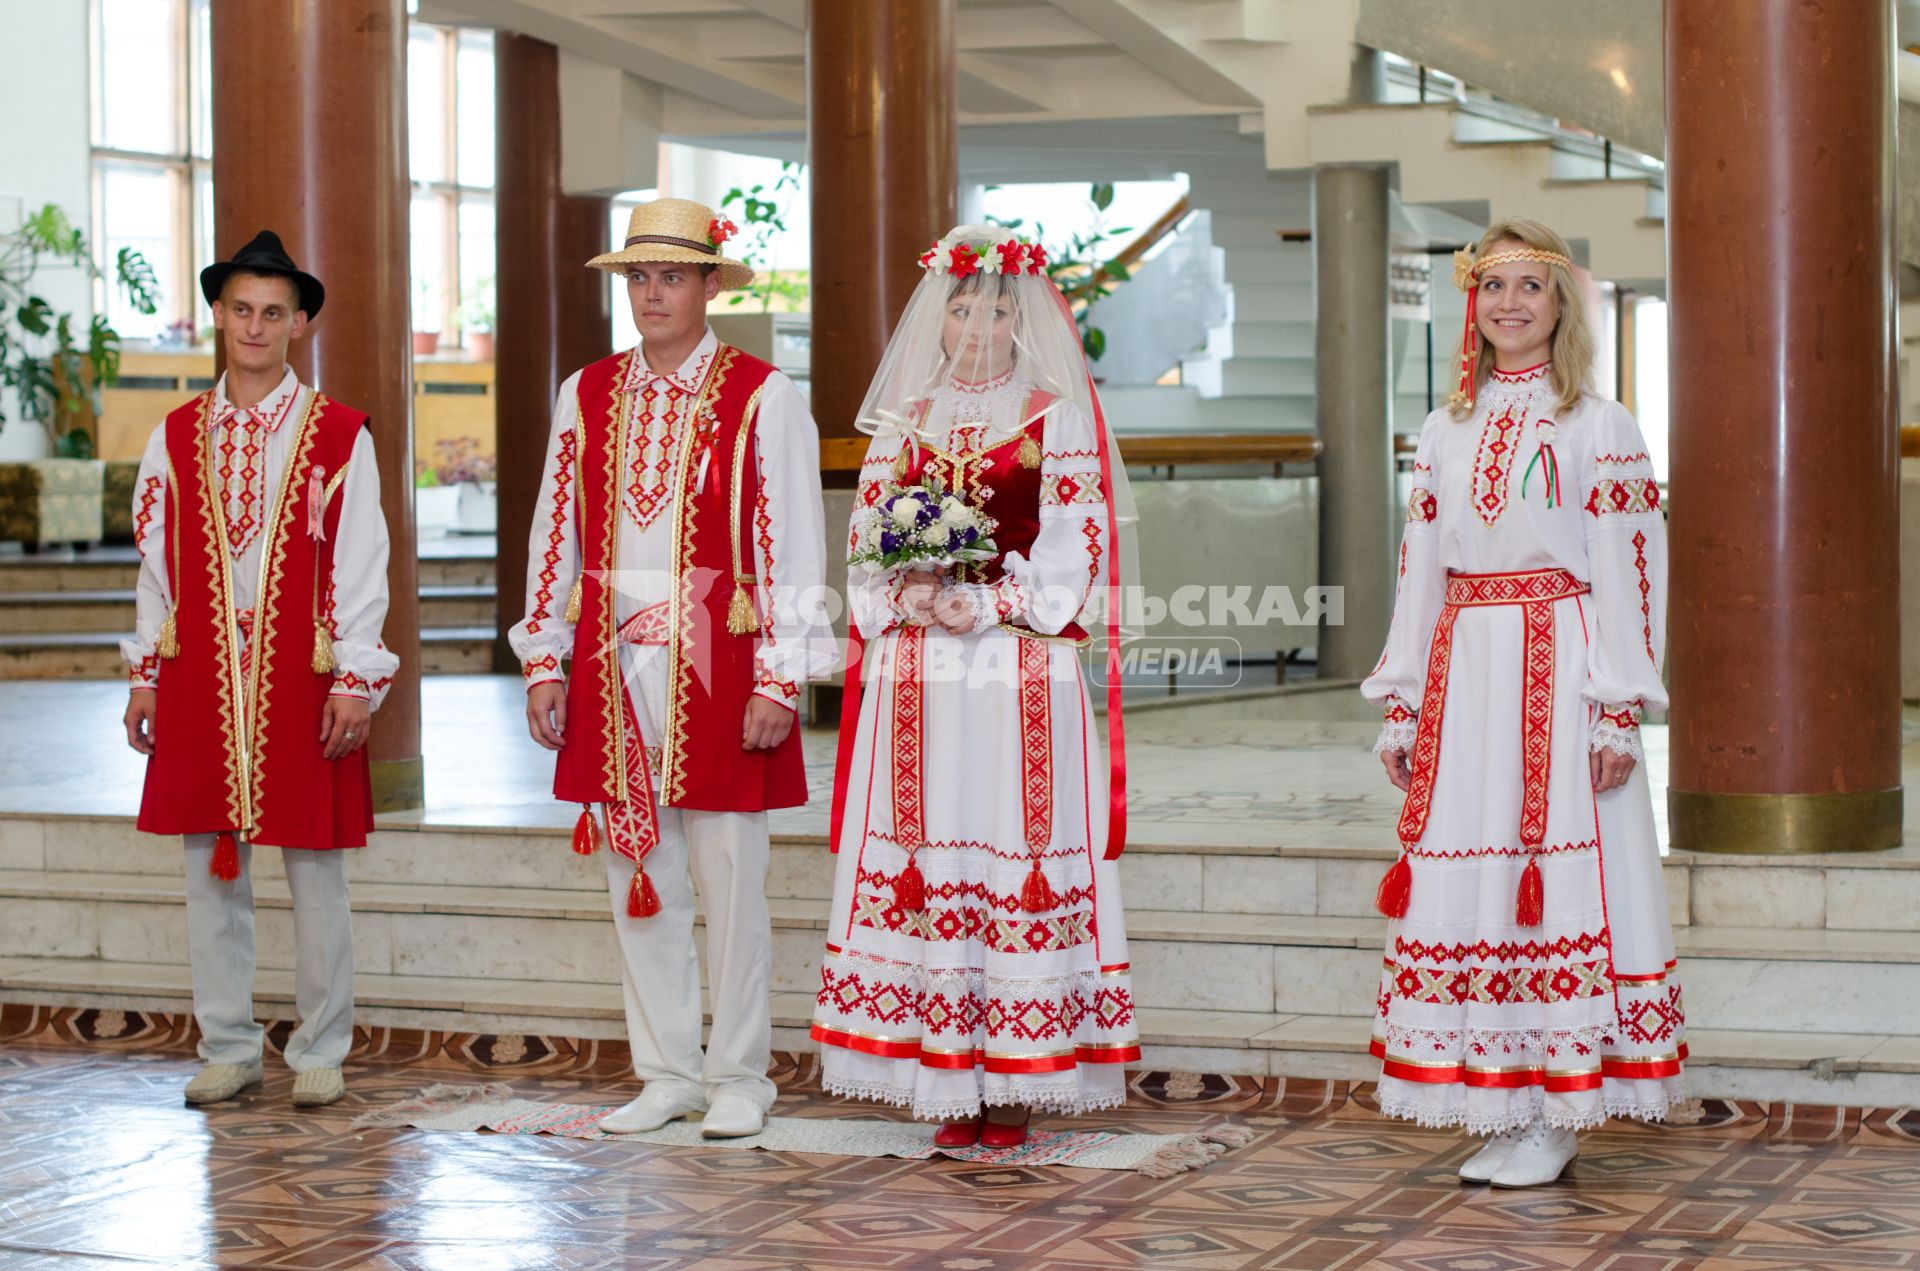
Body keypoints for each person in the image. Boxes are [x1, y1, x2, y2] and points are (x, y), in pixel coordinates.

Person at [1363, 219, 1684, 1187]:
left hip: (1558, 665)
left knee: (1555, 882)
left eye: (1528, 288)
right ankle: (1506, 1099)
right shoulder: (1443, 427)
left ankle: (1559, 1109)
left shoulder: (1599, 423)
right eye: (1492, 286)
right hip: (1467, 671)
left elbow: (1632, 573)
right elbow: (1422, 569)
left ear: (1559, 303)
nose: (1509, 304)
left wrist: (1615, 703)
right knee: (1481, 878)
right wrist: (1405, 699)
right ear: (1474, 303)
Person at [810, 225, 1141, 1148]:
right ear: (938, 315)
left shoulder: (1055, 415)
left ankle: (1016, 1075)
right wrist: (906, 589)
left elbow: (1079, 543)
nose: (976, 321)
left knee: (1003, 836)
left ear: (1021, 313)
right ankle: (941, 1061)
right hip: (921, 670)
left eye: (995, 304)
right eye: (959, 304)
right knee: (931, 845)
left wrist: (993, 600)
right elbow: (865, 536)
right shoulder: (906, 420)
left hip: (1015, 670)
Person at [512, 197, 830, 1139]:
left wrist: (782, 674)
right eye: (639, 277)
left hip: (723, 657)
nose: (653, 293)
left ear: (708, 286)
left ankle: (738, 1074)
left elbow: (794, 544)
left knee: (732, 876)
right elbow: (553, 530)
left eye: (673, 276)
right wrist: (544, 655)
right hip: (613, 663)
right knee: (635, 868)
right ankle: (666, 1070)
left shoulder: (763, 395)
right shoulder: (588, 391)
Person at [121, 231, 397, 1109]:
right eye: (241, 308)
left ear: (300, 322)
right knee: (210, 864)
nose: (254, 324)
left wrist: (356, 677)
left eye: (273, 311)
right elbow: (155, 563)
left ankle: (320, 1044)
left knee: (315, 868)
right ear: (218, 314)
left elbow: (362, 560)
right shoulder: (174, 435)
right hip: (201, 672)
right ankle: (229, 1043)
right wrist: (143, 674)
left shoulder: (339, 434)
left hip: (303, 674)